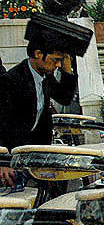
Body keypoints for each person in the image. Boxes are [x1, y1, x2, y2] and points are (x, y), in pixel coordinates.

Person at [0, 38, 77, 187]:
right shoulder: (12, 80)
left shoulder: (45, 76)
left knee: (63, 173)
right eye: (55, 60)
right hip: (13, 156)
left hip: (36, 151)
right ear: (38, 54)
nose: (58, 65)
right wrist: (3, 162)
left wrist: (67, 70)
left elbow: (65, 98)